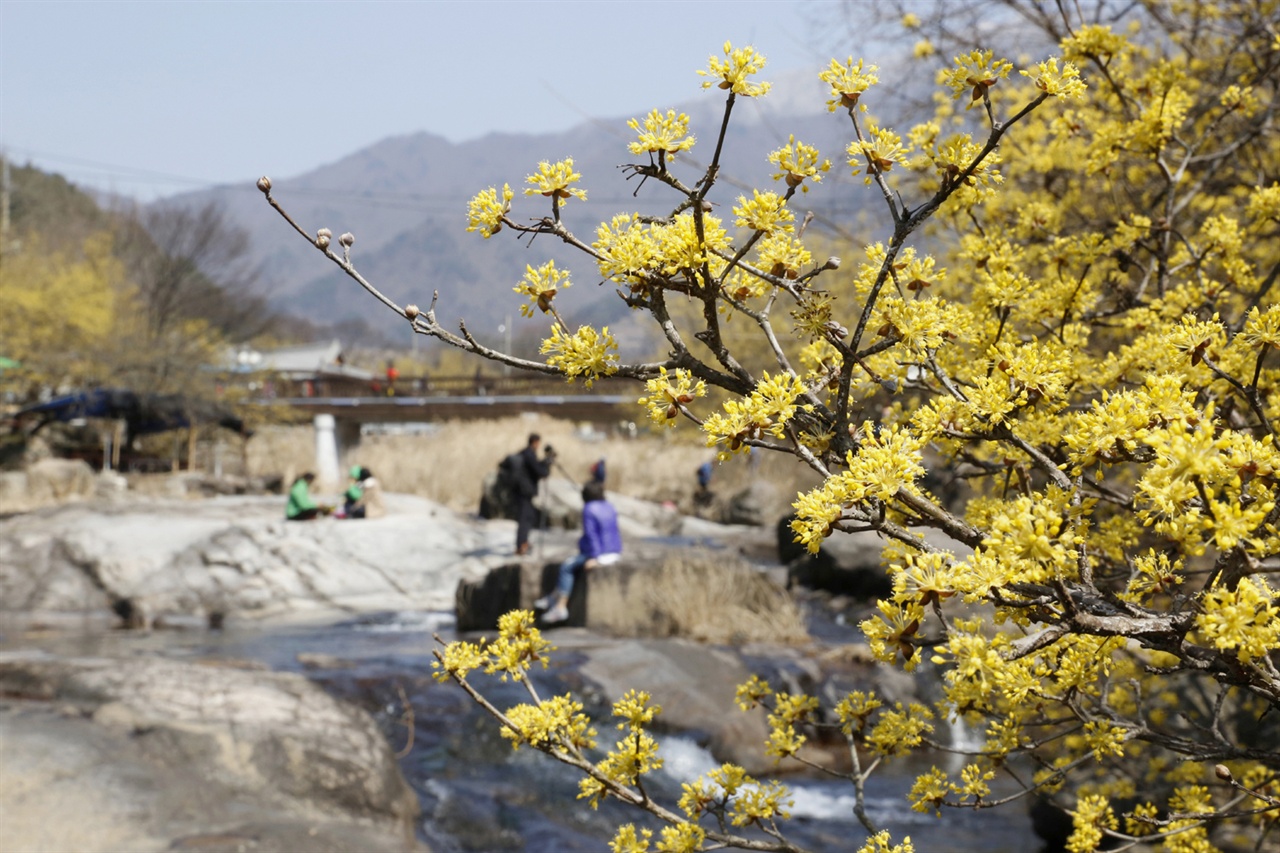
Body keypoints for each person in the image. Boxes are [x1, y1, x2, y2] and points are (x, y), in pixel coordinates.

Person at [535, 480, 621, 624]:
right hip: (614, 551)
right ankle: (552, 598)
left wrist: (595, 557)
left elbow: (592, 534)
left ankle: (560, 607)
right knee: (573, 561)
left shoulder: (589, 508)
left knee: (567, 566)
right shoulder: (609, 506)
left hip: (601, 554)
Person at [510, 433, 554, 555]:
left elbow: (534, 468)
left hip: (522, 491)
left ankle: (523, 542)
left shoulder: (524, 453)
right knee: (525, 519)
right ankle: (521, 546)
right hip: (524, 492)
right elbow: (540, 471)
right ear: (535, 442)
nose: (539, 445)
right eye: (538, 442)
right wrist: (547, 463)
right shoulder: (529, 454)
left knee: (528, 517)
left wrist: (544, 462)